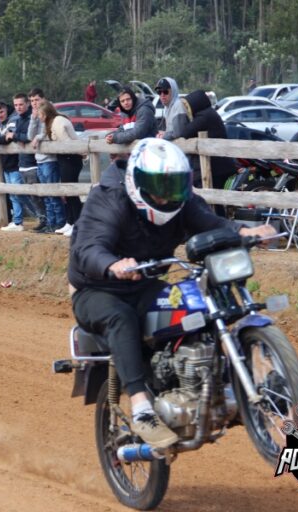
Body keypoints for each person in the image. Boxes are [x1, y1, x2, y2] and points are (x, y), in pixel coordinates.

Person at [68, 138, 276, 448]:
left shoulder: (182, 201)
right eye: (157, 186)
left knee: (196, 307)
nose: (166, 196)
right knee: (120, 316)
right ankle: (141, 409)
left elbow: (210, 223)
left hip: (145, 284)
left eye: (173, 186)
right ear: (136, 181)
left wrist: (243, 233)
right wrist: (112, 264)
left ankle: (218, 387)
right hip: (98, 289)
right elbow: (88, 247)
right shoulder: (110, 199)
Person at [35, 100, 83, 236]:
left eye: (40, 114)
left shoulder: (58, 122)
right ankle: (70, 221)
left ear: (45, 114)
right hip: (64, 159)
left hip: (70, 159)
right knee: (66, 192)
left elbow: (66, 144)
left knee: (72, 191)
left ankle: (78, 224)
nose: (38, 117)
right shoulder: (50, 123)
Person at [175, 89, 237, 190]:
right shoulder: (209, 113)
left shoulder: (204, 116)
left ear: (195, 104)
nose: (186, 110)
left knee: (216, 199)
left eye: (187, 107)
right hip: (220, 165)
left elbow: (185, 133)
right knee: (216, 199)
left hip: (218, 167)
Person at [0, 101, 29, 232]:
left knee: (18, 194)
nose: (0, 115)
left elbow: (8, 137)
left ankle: (19, 222)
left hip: (15, 163)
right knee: (13, 194)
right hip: (5, 164)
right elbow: (2, 137)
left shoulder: (13, 120)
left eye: (2, 112)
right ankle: (18, 221)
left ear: (7, 110)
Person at [7, 93, 45, 229]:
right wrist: (18, 138)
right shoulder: (18, 119)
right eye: (16, 105)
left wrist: (16, 136)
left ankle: (45, 220)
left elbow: (29, 137)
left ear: (27, 104)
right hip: (22, 163)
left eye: (21, 104)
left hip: (32, 164)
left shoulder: (31, 118)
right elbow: (21, 138)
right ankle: (42, 219)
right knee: (32, 196)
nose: (18, 107)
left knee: (39, 195)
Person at [28, 96, 66, 234]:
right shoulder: (37, 119)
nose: (34, 104)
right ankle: (50, 223)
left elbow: (47, 134)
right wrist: (33, 119)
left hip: (49, 161)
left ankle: (60, 222)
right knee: (47, 196)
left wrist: (38, 137)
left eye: (36, 100)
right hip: (40, 161)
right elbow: (30, 135)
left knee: (53, 195)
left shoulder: (51, 122)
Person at [155, 77, 188, 141]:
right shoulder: (168, 107)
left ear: (173, 91)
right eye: (159, 92)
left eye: (165, 91)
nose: (162, 95)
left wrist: (163, 136)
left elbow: (178, 132)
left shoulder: (178, 105)